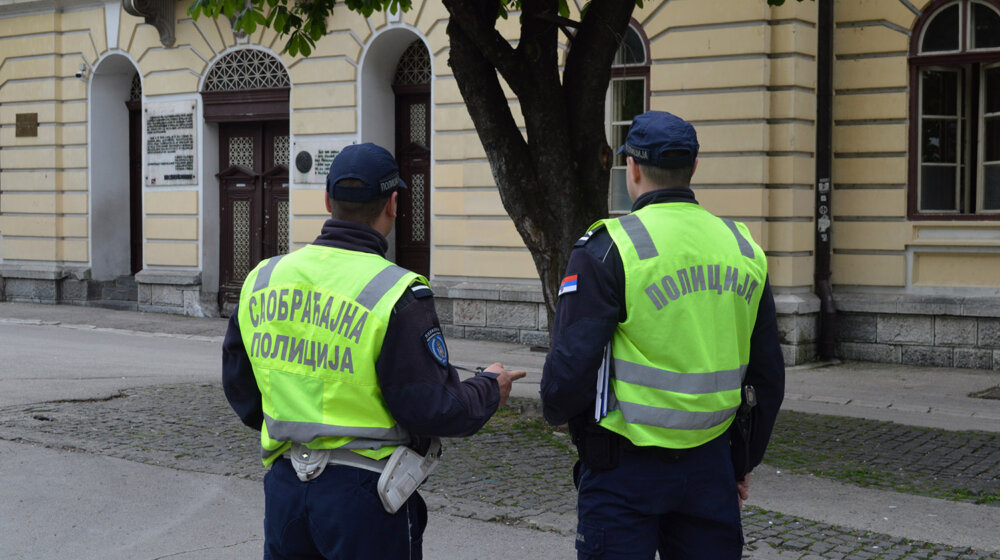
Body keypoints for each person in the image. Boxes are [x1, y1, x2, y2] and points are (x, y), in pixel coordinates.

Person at [222, 142, 526, 560]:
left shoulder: (263, 278)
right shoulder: (396, 291)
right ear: (394, 205)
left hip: (286, 489)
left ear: (327, 200)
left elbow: (241, 387)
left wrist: (300, 426)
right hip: (365, 496)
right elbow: (433, 407)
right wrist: (491, 387)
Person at [540, 111, 785, 559]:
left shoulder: (610, 247)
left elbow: (570, 369)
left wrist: (562, 414)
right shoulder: (742, 245)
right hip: (710, 465)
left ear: (631, 167)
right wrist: (742, 460)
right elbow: (767, 374)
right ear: (693, 168)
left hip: (622, 467)